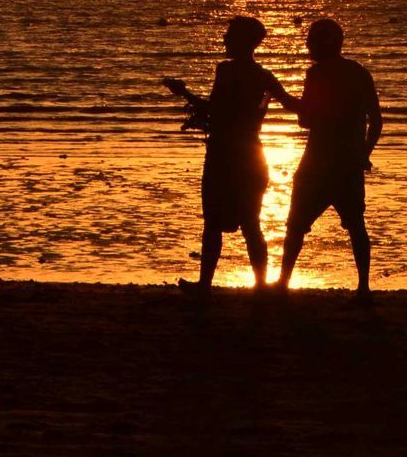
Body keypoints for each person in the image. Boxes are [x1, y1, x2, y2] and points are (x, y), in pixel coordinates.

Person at [164, 16, 298, 291]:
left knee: (213, 222)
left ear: (240, 41)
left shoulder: (225, 71)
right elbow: (291, 104)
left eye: (228, 35)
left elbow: (216, 109)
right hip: (251, 155)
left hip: (224, 156)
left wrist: (185, 93)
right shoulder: (263, 75)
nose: (224, 39)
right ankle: (261, 285)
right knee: (252, 224)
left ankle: (205, 285)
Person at [278, 18, 383, 298]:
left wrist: (282, 97)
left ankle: (283, 283)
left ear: (325, 43)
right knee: (356, 226)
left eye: (312, 40)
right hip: (349, 162)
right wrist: (363, 153)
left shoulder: (317, 74)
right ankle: (363, 287)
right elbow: (377, 121)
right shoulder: (360, 73)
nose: (307, 45)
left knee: (296, 226)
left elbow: (306, 120)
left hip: (317, 162)